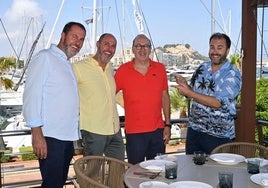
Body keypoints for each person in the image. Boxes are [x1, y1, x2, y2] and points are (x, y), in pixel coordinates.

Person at [22, 22, 86, 188]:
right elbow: (31, 95)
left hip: (66, 138)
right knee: (52, 184)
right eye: (74, 36)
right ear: (63, 35)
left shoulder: (66, 63)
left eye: (81, 39)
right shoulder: (45, 57)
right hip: (50, 138)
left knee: (58, 183)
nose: (77, 42)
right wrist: (36, 132)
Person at [174, 32, 242, 154]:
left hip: (219, 136)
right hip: (194, 131)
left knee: (216, 171)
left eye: (219, 48)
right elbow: (192, 92)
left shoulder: (233, 74)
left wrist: (190, 93)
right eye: (212, 47)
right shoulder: (202, 67)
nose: (215, 51)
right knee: (193, 170)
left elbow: (218, 102)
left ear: (227, 51)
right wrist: (185, 85)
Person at [114, 34, 171, 164]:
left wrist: (167, 124)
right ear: (133, 49)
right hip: (134, 133)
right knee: (135, 172)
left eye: (145, 46)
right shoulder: (123, 70)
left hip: (158, 131)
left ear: (150, 49)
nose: (142, 49)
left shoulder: (160, 68)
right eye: (138, 46)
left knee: (158, 170)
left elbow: (165, 97)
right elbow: (110, 94)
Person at [72, 33, 125, 161]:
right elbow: (67, 95)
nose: (109, 49)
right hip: (93, 131)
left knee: (118, 170)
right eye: (106, 44)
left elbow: (114, 93)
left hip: (115, 129)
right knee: (92, 172)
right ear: (98, 44)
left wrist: (136, 107)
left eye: (113, 46)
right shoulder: (78, 68)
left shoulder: (110, 68)